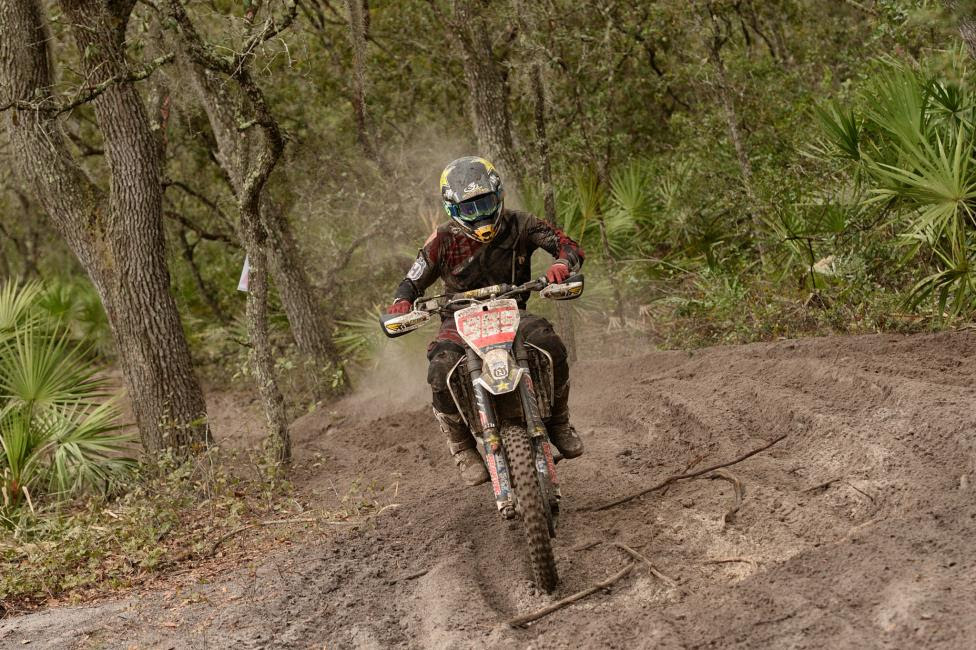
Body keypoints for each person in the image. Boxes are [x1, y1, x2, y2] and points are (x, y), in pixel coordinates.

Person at [386, 156, 585, 486]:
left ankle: (559, 421)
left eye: (486, 203)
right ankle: (462, 447)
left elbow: (567, 245)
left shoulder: (522, 223)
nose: (480, 215)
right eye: (469, 208)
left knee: (552, 345)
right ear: (453, 208)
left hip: (513, 310)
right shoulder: (442, 240)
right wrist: (402, 301)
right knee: (440, 369)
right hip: (457, 319)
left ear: (499, 195)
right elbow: (412, 280)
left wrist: (563, 264)